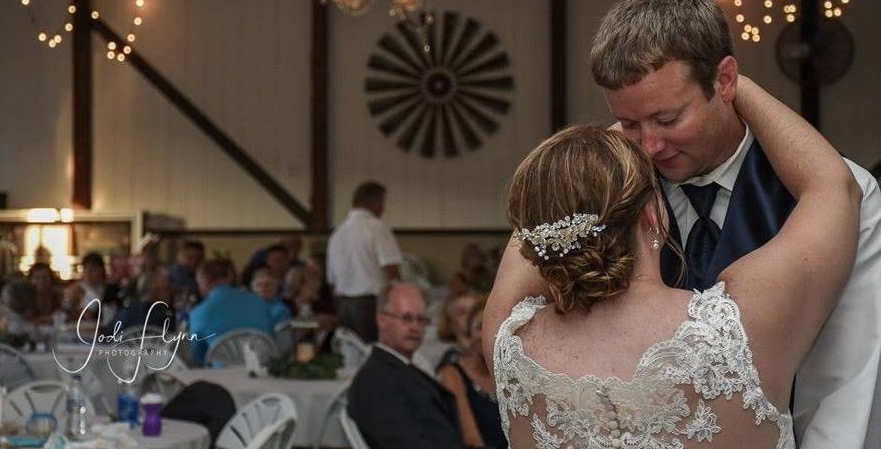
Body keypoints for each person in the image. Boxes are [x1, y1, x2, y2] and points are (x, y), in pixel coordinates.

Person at [482, 77, 860, 448]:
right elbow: (833, 186)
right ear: (651, 215)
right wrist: (729, 84)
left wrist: (586, 164)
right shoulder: (739, 327)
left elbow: (541, 220)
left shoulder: (509, 346)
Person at [589, 0, 881, 446]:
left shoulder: (833, 197)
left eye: (667, 119)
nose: (649, 145)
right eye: (629, 124)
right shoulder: (613, 201)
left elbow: (845, 376)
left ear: (725, 81)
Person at [348, 282, 464, 449]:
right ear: (381, 320)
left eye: (421, 320)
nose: (415, 327)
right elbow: (405, 443)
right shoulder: (376, 380)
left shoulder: (400, 367)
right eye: (407, 318)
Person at [327, 181, 403, 342]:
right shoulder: (377, 228)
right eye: (382, 203)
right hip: (370, 304)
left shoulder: (338, 233)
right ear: (375, 203)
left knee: (350, 354)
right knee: (372, 353)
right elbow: (391, 266)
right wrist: (401, 295)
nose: (384, 208)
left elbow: (332, 279)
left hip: (344, 305)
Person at [438, 295, 505, 449]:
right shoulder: (452, 374)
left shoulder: (508, 371)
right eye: (480, 327)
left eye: (493, 327)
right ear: (470, 334)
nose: (486, 335)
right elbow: (472, 441)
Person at [188, 258, 274, 366]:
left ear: (203, 281)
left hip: (221, 378)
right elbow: (270, 337)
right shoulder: (259, 302)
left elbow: (197, 357)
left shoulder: (198, 313)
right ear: (229, 277)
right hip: (261, 373)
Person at [249, 267, 291, 331]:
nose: (263, 288)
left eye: (267, 284)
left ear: (276, 287)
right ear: (253, 287)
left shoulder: (281, 310)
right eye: (259, 285)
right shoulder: (245, 307)